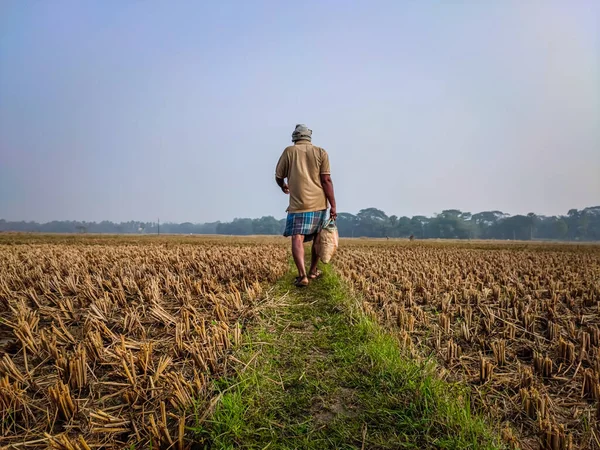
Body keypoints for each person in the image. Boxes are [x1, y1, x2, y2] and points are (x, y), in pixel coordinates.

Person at [275, 124, 337, 287]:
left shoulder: (289, 151)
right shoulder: (321, 152)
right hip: (318, 202)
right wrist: (333, 205)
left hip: (297, 203)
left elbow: (278, 175)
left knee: (297, 237)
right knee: (318, 236)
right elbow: (326, 180)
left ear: (295, 137)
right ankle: (313, 271)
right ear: (309, 137)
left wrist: (283, 186)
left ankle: (302, 275)